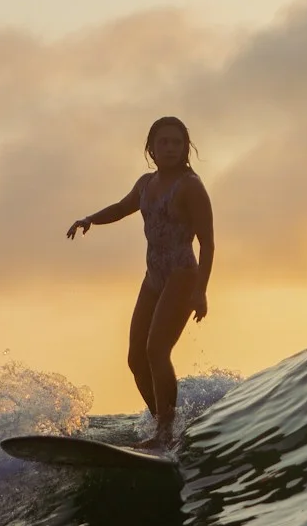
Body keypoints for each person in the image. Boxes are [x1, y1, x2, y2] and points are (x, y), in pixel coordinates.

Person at [66, 116, 214, 447]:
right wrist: (91, 219)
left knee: (157, 351)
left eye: (178, 142)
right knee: (136, 359)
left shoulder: (191, 187)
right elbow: (121, 207)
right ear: (151, 148)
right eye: (164, 142)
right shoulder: (146, 184)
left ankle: (165, 433)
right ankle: (163, 424)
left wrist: (201, 290)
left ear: (186, 147)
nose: (171, 148)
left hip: (181, 276)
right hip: (154, 278)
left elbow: (207, 242)